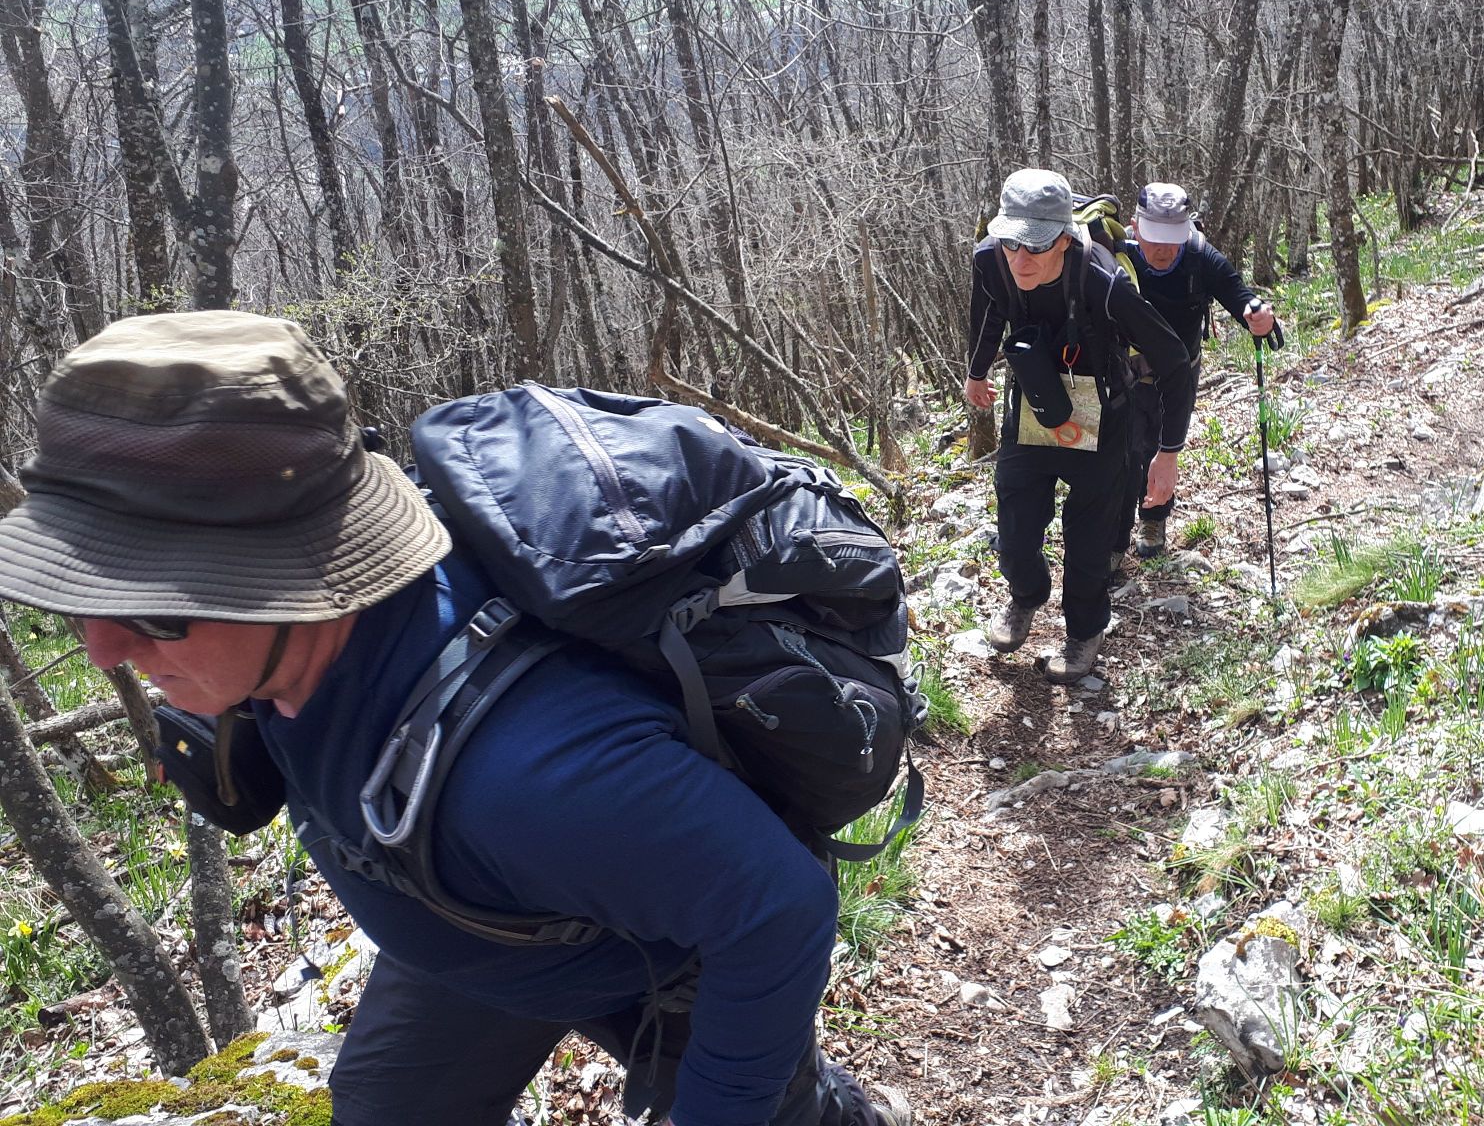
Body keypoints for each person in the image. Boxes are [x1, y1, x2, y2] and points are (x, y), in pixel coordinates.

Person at [0, 311, 908, 1126]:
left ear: (296, 581)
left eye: (154, 610)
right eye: (84, 599)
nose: (104, 649)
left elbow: (777, 911)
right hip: (466, 916)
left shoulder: (531, 782)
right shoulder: (306, 640)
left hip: (646, 953)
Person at [964, 168, 1192, 683]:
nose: (1020, 259)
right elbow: (988, 310)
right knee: (1015, 526)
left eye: (1035, 246)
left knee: (1089, 538)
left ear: (1065, 240)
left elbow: (1174, 361)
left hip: (1104, 413)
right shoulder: (991, 261)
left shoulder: (1103, 283)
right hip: (1033, 405)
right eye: (1011, 243)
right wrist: (976, 371)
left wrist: (1168, 453)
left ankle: (1084, 633)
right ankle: (1026, 595)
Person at [1116, 182, 1279, 559]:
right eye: (1154, 237)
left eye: (1171, 238)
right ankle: (1114, 534)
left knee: (1162, 446)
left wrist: (1259, 317)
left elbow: (1239, 295)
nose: (1162, 249)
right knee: (1122, 452)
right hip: (1124, 372)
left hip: (1180, 373)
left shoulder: (1200, 256)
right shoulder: (1117, 254)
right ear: (1135, 226)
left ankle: (1154, 518)